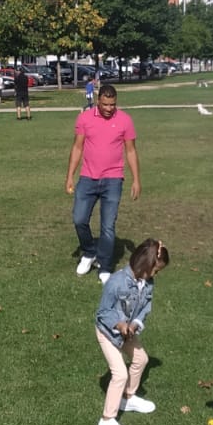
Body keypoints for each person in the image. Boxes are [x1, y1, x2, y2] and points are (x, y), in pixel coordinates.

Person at [93, 238, 170, 425]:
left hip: (128, 332)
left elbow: (145, 307)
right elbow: (103, 313)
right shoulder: (116, 282)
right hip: (107, 332)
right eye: (155, 270)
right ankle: (107, 420)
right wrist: (120, 325)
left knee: (141, 359)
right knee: (119, 374)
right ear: (144, 264)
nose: (155, 275)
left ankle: (127, 397)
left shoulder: (147, 283)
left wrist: (134, 323)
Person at [65, 84, 141, 283]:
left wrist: (136, 180)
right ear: (98, 100)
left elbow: (131, 151)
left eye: (113, 105)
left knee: (108, 226)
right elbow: (77, 147)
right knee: (79, 219)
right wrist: (70, 176)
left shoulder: (125, 120)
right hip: (88, 178)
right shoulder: (85, 118)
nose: (109, 108)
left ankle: (105, 265)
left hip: (113, 180)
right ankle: (90, 252)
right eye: (105, 104)